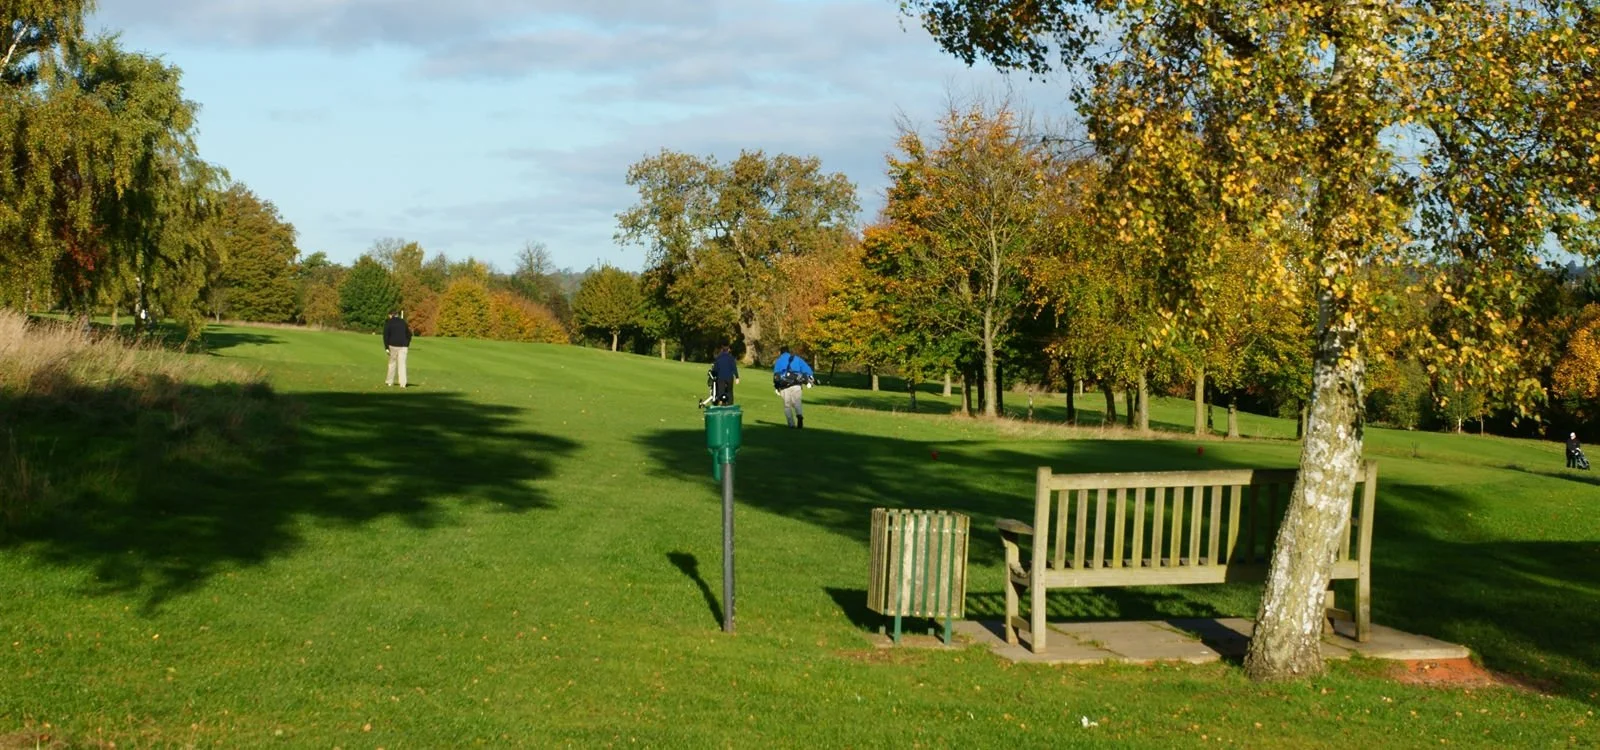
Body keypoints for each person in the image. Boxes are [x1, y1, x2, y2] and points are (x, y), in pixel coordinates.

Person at [771, 345, 815, 429]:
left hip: (784, 386)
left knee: (787, 405)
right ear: (788, 351)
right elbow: (807, 370)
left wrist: (776, 387)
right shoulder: (796, 359)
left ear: (781, 352)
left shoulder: (779, 361)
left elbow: (776, 375)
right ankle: (799, 415)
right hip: (796, 384)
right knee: (797, 402)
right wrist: (810, 378)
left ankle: (791, 424)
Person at [384, 310, 412, 388]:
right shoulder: (403, 322)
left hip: (392, 345)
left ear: (391, 315)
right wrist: (407, 343)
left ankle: (389, 381)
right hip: (403, 346)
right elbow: (409, 334)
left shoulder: (389, 322)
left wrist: (386, 347)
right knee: (402, 364)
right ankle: (403, 383)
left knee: (392, 363)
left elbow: (386, 336)